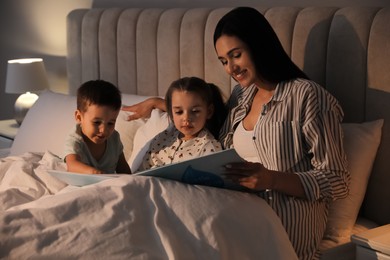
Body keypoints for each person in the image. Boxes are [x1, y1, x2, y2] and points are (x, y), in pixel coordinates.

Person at [122, 7, 349, 260]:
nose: (230, 68)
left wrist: (271, 180)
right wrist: (159, 103)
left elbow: (337, 179)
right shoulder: (242, 95)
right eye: (223, 61)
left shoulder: (307, 96)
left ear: (258, 45)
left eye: (236, 55)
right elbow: (205, 115)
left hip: (280, 228)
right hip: (229, 214)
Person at [138, 76, 225, 171]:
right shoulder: (162, 138)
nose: (186, 118)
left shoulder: (209, 148)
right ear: (171, 113)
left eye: (195, 111)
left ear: (209, 112)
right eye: (179, 112)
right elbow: (142, 171)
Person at [64, 79, 131, 175]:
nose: (104, 130)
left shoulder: (114, 138)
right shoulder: (75, 139)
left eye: (110, 123)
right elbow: (72, 165)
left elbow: (123, 169)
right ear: (79, 117)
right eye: (96, 122)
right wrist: (94, 172)